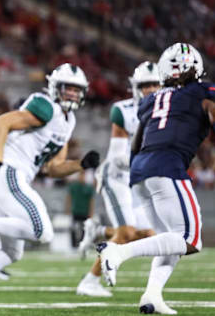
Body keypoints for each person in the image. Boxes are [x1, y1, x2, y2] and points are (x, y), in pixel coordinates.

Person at [97, 43, 215, 314]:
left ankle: (152, 296)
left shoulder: (150, 100)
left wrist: (139, 175)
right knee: (191, 239)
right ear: (196, 67)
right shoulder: (205, 92)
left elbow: (136, 144)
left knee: (171, 240)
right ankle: (118, 252)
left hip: (140, 172)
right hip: (167, 166)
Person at [0, 63, 101, 305]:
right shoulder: (45, 105)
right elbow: (0, 124)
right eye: (67, 88)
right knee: (42, 231)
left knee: (11, 252)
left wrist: (80, 165)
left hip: (11, 178)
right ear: (55, 87)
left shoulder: (68, 121)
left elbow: (52, 167)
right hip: (9, 172)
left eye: (76, 90)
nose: (71, 94)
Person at [76, 61, 160, 297]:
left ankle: (100, 231)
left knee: (149, 237)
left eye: (155, 84)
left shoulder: (168, 113)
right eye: (146, 85)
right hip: (116, 176)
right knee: (125, 234)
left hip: (139, 180)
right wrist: (147, 161)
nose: (151, 89)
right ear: (135, 87)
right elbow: (116, 157)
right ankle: (89, 282)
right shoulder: (123, 111)